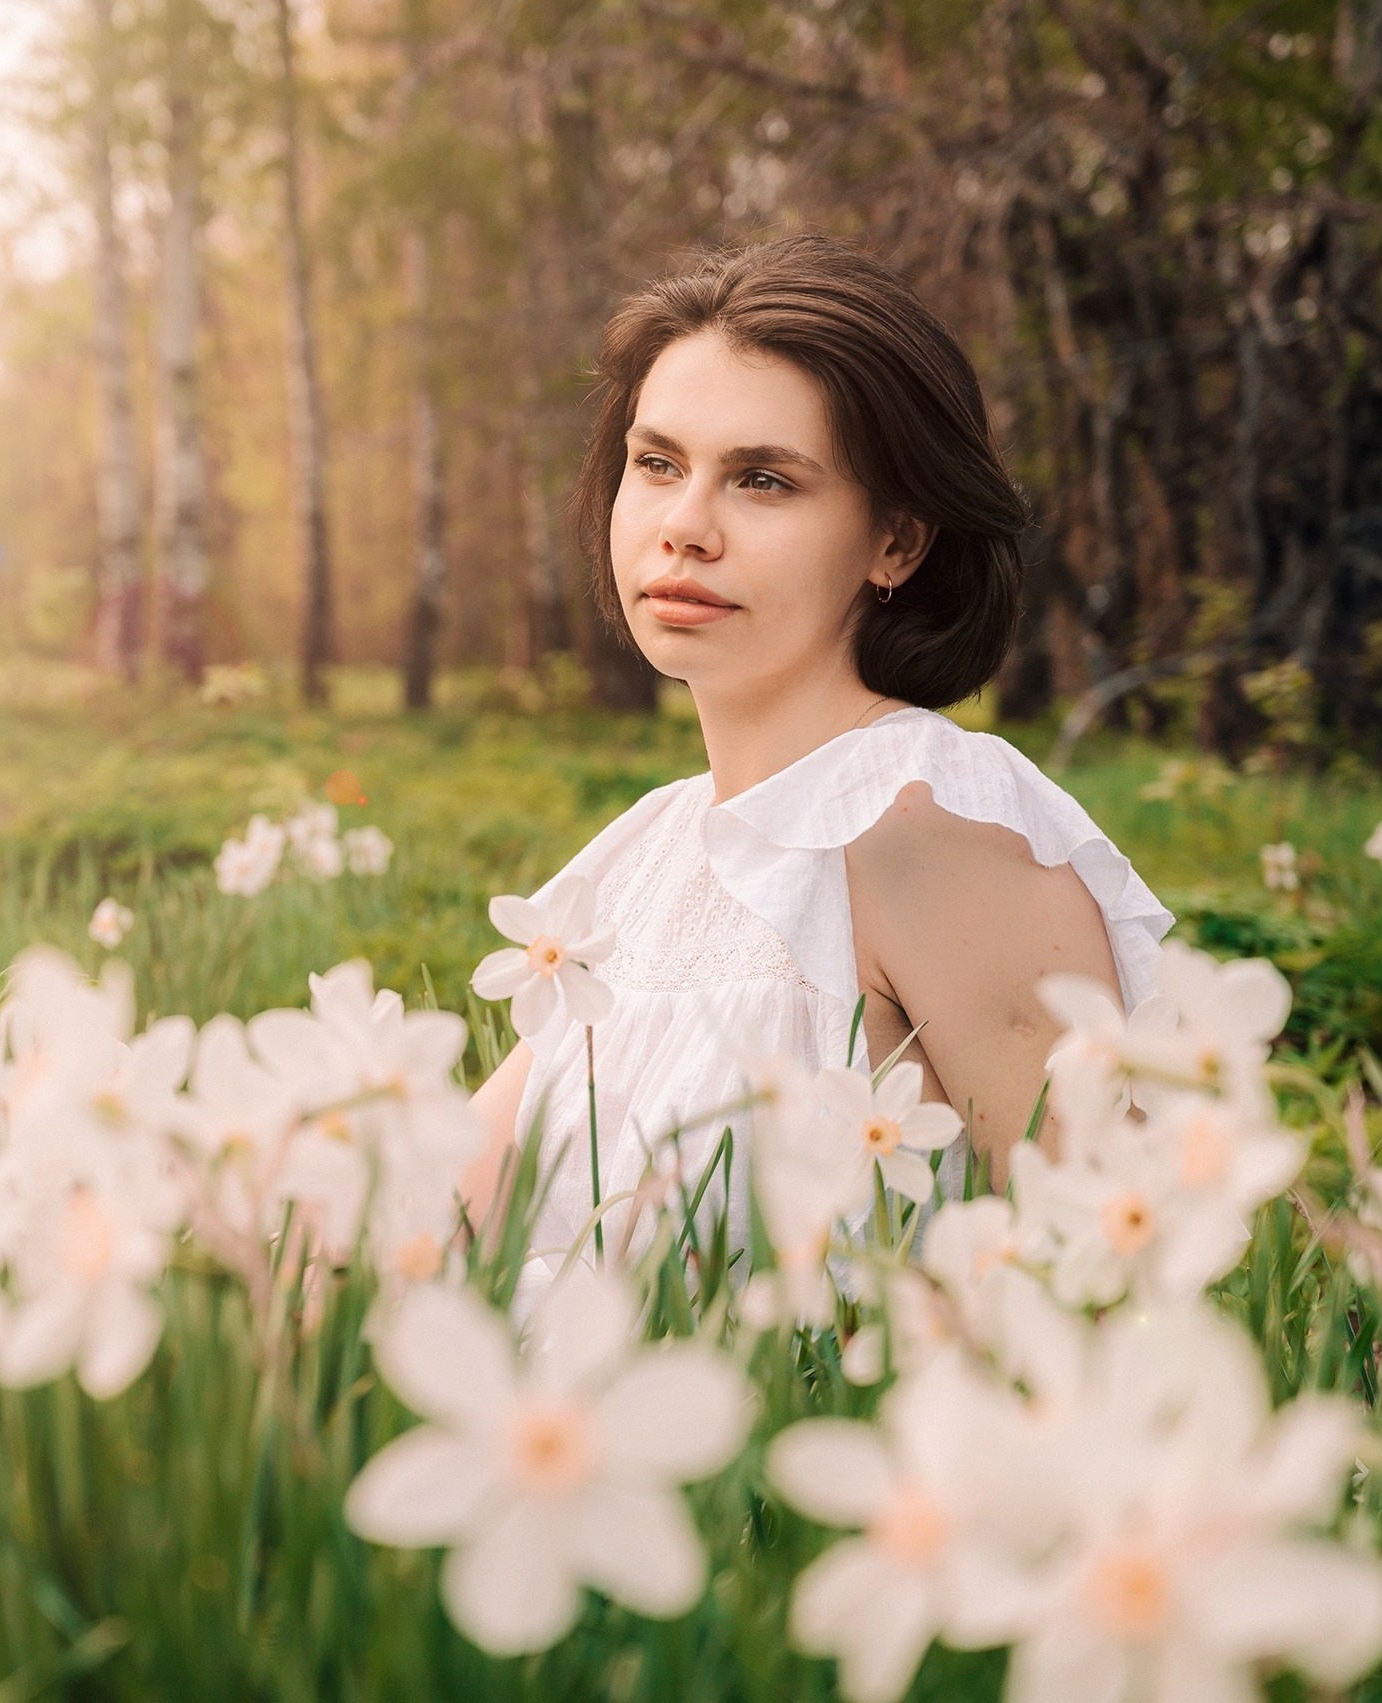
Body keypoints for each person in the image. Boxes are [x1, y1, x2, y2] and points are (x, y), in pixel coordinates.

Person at [460, 232, 1173, 1274]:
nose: (683, 526)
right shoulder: (647, 855)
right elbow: (434, 1204)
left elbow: (1121, 1250)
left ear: (897, 542)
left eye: (762, 480)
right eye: (655, 463)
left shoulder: (926, 825)